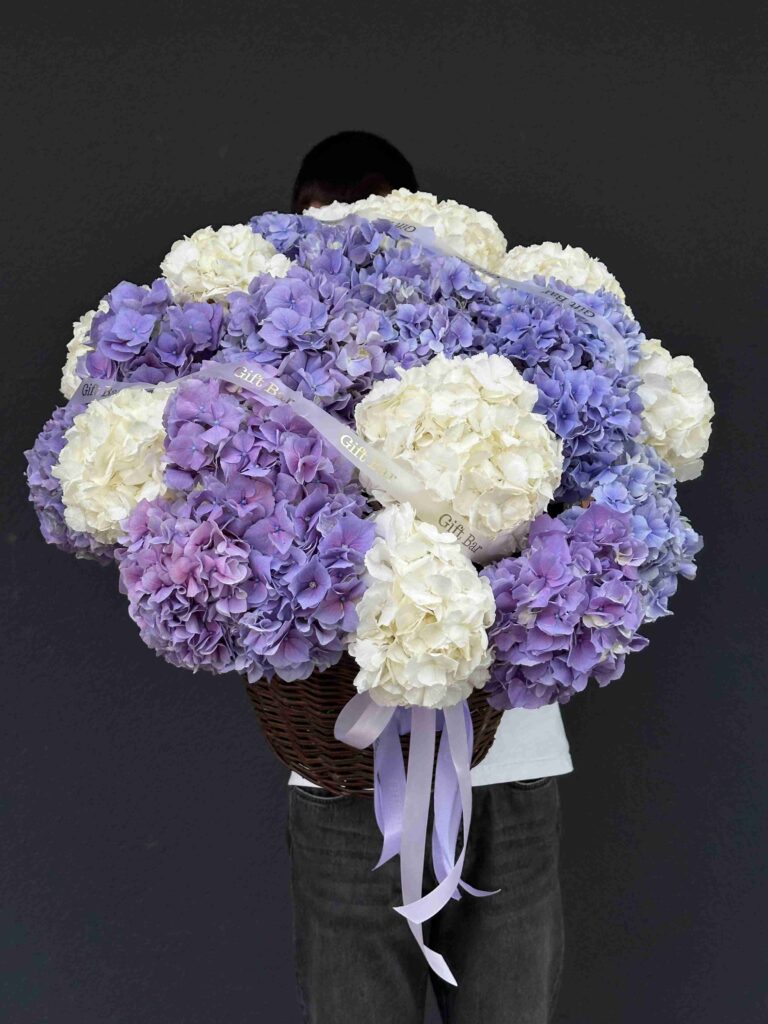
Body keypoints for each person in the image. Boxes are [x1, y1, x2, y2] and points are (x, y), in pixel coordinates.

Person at [285, 130, 572, 1024]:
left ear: (419, 214)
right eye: (324, 215)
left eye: (373, 208)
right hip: (344, 763)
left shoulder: (496, 329)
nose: (351, 233)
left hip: (511, 757)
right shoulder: (272, 345)